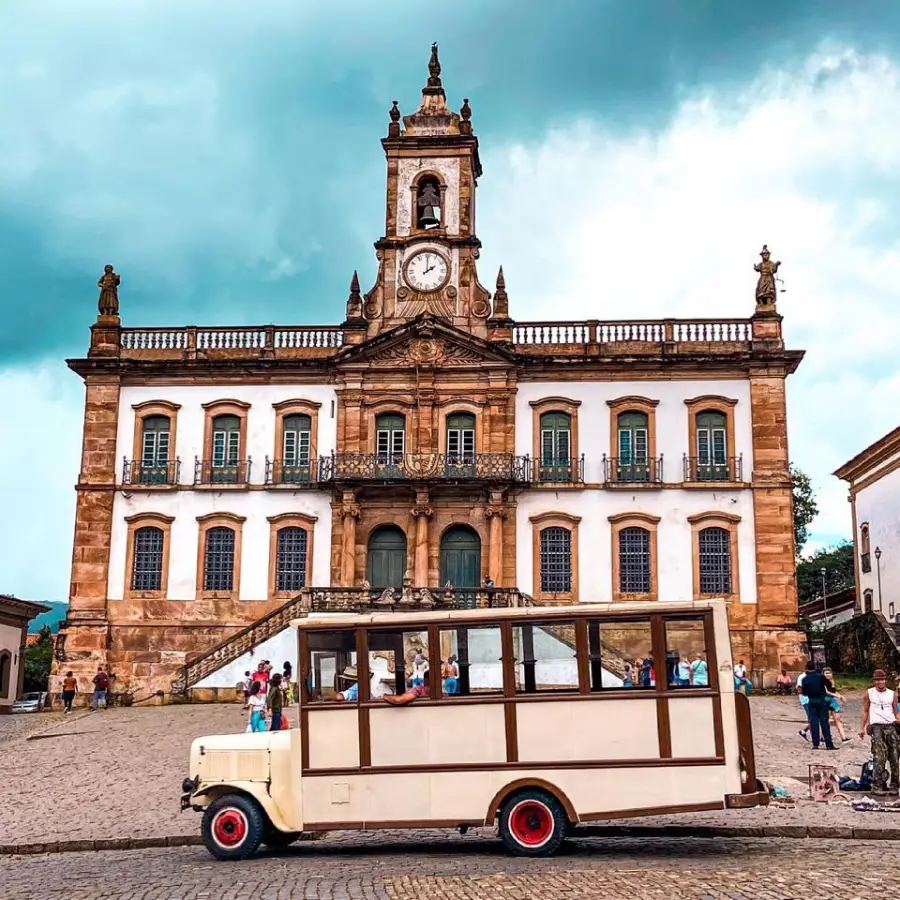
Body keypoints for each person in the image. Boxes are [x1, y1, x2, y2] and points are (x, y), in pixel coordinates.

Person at [858, 668, 900, 795]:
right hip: (876, 727)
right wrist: (862, 728)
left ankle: (894, 785)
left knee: (894, 757)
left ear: (885, 680)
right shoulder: (869, 693)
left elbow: (895, 711)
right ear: (874, 681)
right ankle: (877, 785)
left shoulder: (892, 694)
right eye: (877, 680)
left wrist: (898, 721)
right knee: (879, 757)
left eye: (882, 680)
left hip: (891, 726)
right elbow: (865, 710)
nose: (880, 682)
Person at [800, 662, 836, 751]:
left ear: (806, 668)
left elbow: (803, 692)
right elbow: (829, 685)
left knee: (814, 723)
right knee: (824, 722)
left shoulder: (805, 679)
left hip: (811, 701)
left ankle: (815, 744)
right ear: (815, 667)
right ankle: (829, 744)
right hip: (821, 701)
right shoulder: (820, 677)